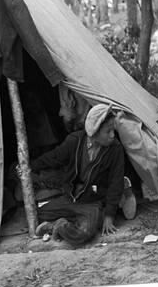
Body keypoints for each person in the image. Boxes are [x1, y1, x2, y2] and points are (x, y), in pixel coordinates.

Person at [28, 104, 136, 247]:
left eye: (113, 130)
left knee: (85, 232)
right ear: (94, 133)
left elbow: (115, 183)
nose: (112, 135)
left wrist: (109, 216)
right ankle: (61, 223)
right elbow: (54, 157)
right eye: (108, 131)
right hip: (71, 198)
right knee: (37, 213)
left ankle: (58, 226)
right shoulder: (75, 141)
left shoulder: (115, 149)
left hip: (92, 202)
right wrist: (29, 167)